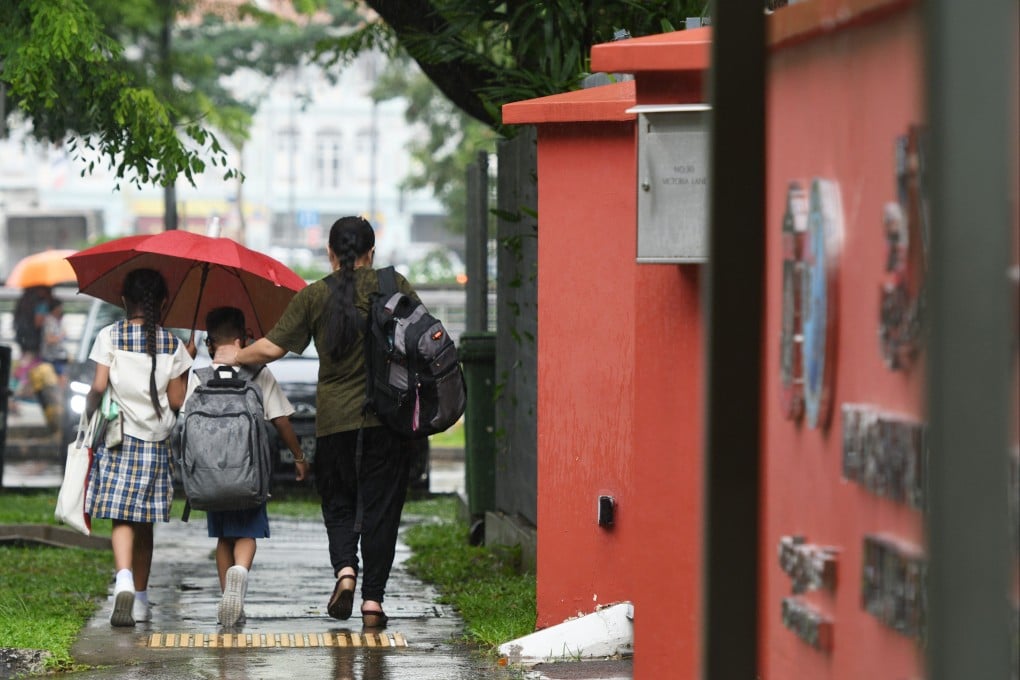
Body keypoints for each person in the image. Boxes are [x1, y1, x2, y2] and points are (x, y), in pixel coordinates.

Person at [214, 216, 418, 628]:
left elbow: (271, 348)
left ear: (329, 253)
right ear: (371, 254)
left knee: (339, 504)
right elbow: (422, 339)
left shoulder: (315, 296)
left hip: (335, 423)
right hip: (387, 424)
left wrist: (234, 355)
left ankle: (345, 570)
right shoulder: (393, 285)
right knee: (381, 512)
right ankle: (373, 602)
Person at [183, 306, 310, 627]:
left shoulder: (198, 378)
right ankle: (240, 572)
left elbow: (180, 416)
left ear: (210, 342)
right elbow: (281, 421)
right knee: (248, 533)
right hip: (249, 474)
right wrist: (298, 455)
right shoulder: (258, 374)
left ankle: (230, 596)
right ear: (243, 339)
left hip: (210, 477)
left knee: (223, 538)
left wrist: (186, 360)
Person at [84, 268, 194, 627]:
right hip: (156, 443)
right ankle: (142, 599)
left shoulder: (109, 336)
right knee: (145, 519)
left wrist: (87, 417)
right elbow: (177, 401)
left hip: (119, 439)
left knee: (122, 516)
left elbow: (99, 387)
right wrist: (185, 365)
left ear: (122, 301)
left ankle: (124, 580)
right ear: (162, 303)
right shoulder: (172, 344)